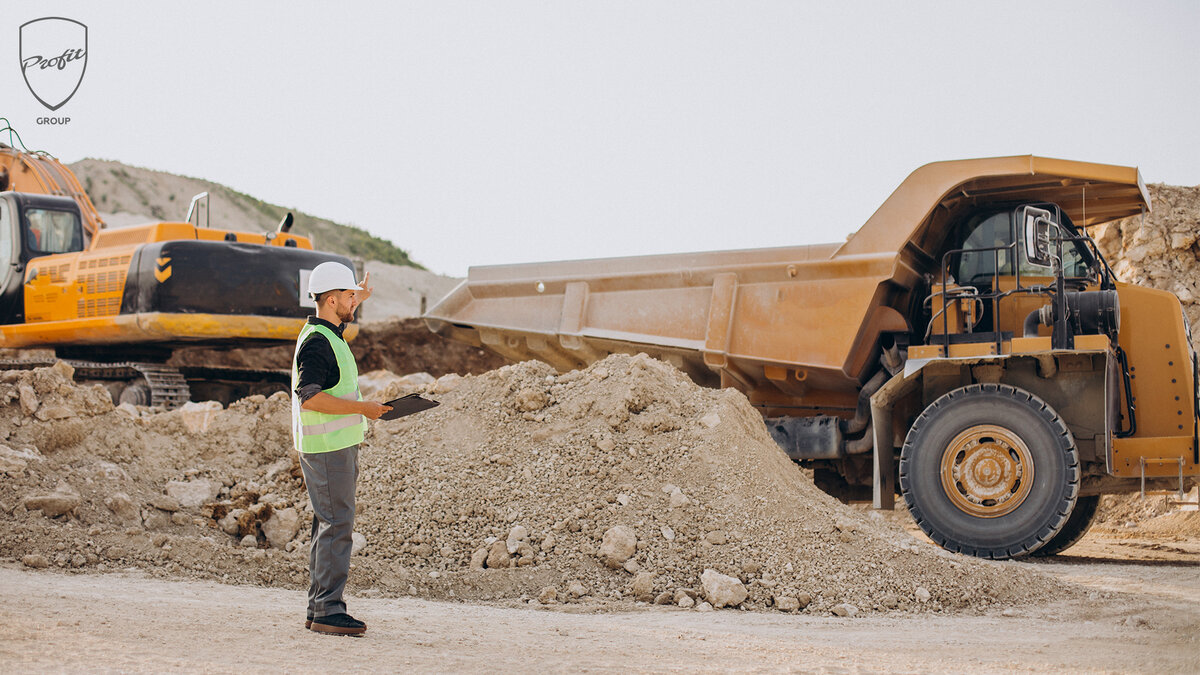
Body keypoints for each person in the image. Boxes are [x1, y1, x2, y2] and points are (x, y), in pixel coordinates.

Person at [292, 261, 392, 636]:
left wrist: (358, 295)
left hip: (331, 445)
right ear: (332, 299)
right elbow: (310, 398)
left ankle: (319, 607)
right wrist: (363, 409)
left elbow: (339, 318)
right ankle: (328, 610)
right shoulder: (319, 343)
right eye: (349, 296)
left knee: (327, 525)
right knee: (337, 527)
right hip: (328, 448)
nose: (355, 302)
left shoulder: (326, 331)